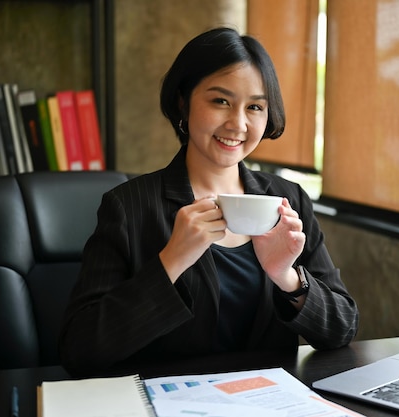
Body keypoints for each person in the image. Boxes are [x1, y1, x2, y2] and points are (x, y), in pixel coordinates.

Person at [59, 27, 358, 376]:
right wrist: (171, 261)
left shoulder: (288, 200)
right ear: (183, 101)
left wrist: (287, 277)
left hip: (268, 403)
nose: (238, 123)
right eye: (220, 101)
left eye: (255, 107)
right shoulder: (128, 207)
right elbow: (79, 349)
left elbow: (342, 328)